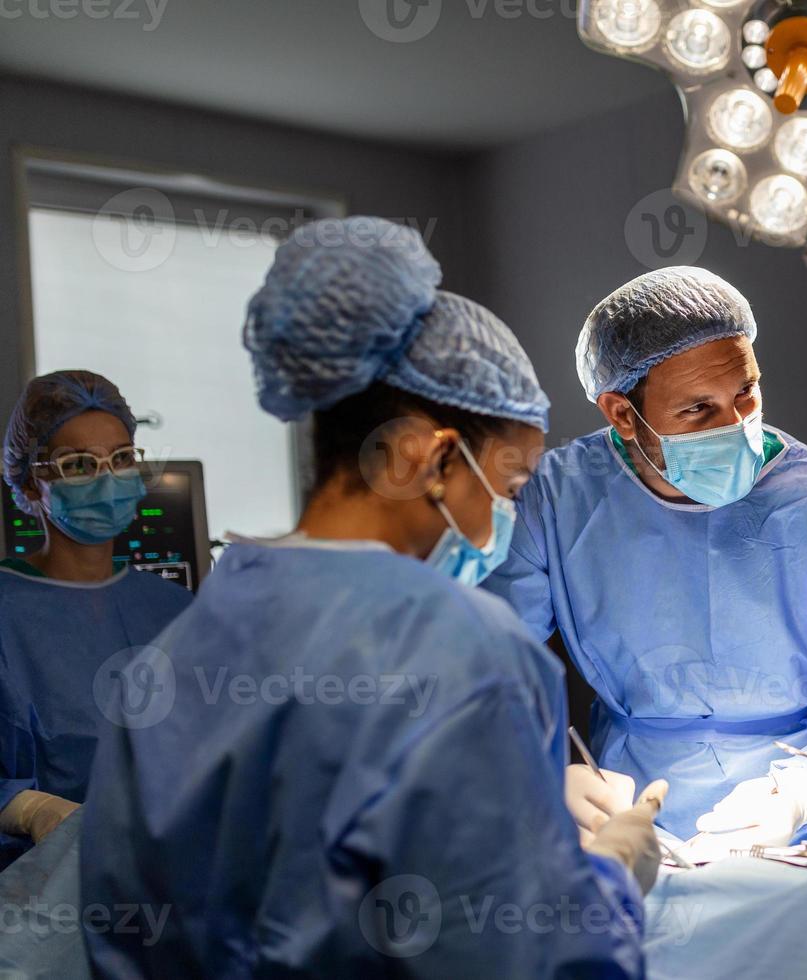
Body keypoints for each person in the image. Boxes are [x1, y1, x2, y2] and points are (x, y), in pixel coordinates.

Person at [81, 217, 664, 977]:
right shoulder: (469, 652)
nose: (506, 519)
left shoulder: (178, 649)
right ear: (430, 459)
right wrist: (613, 880)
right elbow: (529, 956)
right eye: (512, 485)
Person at [485, 266, 807, 847]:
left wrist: (804, 793)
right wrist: (537, 770)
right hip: (632, 808)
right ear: (620, 413)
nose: (737, 426)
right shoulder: (559, 497)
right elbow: (488, 665)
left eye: (746, 392)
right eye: (698, 410)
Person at [0, 370, 192, 869]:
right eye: (78, 464)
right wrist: (27, 808)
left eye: (123, 458)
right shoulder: (8, 611)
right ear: (31, 481)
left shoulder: (176, 611)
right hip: (35, 899)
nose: (108, 479)